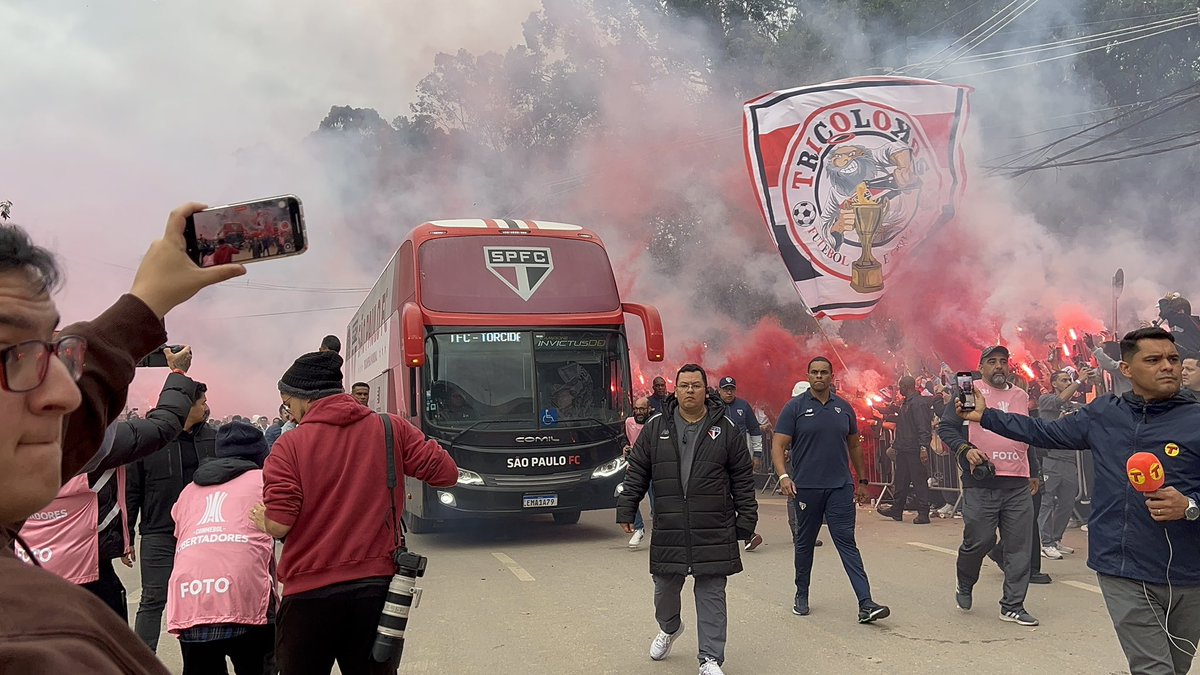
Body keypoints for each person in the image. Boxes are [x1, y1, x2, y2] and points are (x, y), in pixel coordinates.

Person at [0, 203, 245, 674]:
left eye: (54, 350)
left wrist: (146, 303)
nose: (62, 396)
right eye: (13, 355)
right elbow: (152, 429)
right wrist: (175, 376)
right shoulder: (44, 645)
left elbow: (85, 393)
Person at [961, 327, 1200, 675]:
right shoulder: (1104, 414)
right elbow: (1044, 432)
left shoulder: (1196, 420)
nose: (1168, 367)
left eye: (1173, 359)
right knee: (1155, 669)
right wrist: (987, 416)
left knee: (1176, 667)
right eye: (1154, 360)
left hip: (1189, 573)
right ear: (1127, 369)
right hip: (1123, 568)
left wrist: (1191, 506)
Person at [253, 350, 458, 675]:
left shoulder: (287, 447)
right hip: (376, 593)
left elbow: (279, 524)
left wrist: (260, 519)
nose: (290, 415)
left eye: (288, 404)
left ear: (305, 398)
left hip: (308, 597)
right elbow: (446, 472)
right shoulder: (390, 427)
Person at [18, 346, 202, 620]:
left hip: (23, 577)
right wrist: (177, 373)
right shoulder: (96, 442)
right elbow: (162, 427)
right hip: (91, 578)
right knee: (104, 658)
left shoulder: (10, 440)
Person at [616, 364, 758, 675]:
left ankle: (710, 659)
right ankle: (669, 627)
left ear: (706, 390)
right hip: (670, 527)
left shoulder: (727, 430)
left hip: (714, 527)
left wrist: (746, 520)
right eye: (684, 385)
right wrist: (627, 507)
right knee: (664, 590)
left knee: (711, 594)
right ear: (675, 390)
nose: (689, 390)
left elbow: (743, 480)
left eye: (695, 385)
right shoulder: (656, 427)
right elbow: (638, 469)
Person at [772, 357, 889, 623]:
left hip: (840, 487)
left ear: (831, 376)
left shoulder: (844, 409)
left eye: (824, 372)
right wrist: (783, 476)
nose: (819, 377)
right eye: (814, 372)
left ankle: (866, 603)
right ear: (809, 376)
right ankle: (801, 594)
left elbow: (855, 446)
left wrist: (862, 482)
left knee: (847, 543)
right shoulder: (794, 408)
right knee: (804, 544)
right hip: (806, 489)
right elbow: (778, 446)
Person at [937, 346, 1042, 626]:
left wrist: (1034, 470)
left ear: (1009, 367)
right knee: (979, 541)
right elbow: (946, 428)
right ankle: (966, 581)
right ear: (981, 367)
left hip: (1017, 482)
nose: (998, 366)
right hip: (981, 481)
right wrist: (965, 449)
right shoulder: (969, 393)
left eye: (1003, 362)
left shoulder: (1020, 395)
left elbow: (1026, 432)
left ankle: (1013, 605)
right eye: (992, 362)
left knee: (1020, 546)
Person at [167, 421, 276, 675]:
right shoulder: (264, 482)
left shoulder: (189, 491)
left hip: (190, 599)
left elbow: (179, 531)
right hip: (245, 597)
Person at [127, 376, 218, 651]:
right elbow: (132, 490)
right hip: (159, 531)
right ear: (185, 406)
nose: (206, 406)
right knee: (153, 599)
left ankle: (201, 662)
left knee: (200, 597)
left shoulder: (213, 438)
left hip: (203, 532)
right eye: (201, 402)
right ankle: (142, 661)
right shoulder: (149, 439)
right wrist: (126, 534)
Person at [1037, 369, 1091, 560]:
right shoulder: (1046, 399)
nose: (1068, 382)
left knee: (1067, 504)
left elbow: (1093, 409)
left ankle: (1055, 539)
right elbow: (1060, 402)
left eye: (1070, 380)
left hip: (1070, 461)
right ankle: (1045, 543)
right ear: (1054, 384)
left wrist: (1098, 383)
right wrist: (1079, 380)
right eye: (1064, 380)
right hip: (1051, 460)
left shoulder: (1074, 404)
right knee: (1047, 502)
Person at [879, 376, 935, 524]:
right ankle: (897, 509)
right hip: (903, 447)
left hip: (914, 448)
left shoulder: (918, 403)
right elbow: (906, 421)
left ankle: (923, 513)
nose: (899, 390)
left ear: (905, 386)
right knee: (901, 480)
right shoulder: (908, 403)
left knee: (919, 481)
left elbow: (923, 426)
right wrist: (893, 409)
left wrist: (923, 447)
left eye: (900, 387)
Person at [624, 396, 654, 548]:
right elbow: (624, 440)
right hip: (635, 467)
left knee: (657, 503)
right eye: (636, 409)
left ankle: (660, 532)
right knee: (630, 497)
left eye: (642, 409)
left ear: (649, 409)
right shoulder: (628, 422)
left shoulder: (655, 423)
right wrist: (625, 448)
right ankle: (638, 528)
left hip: (653, 468)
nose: (639, 412)